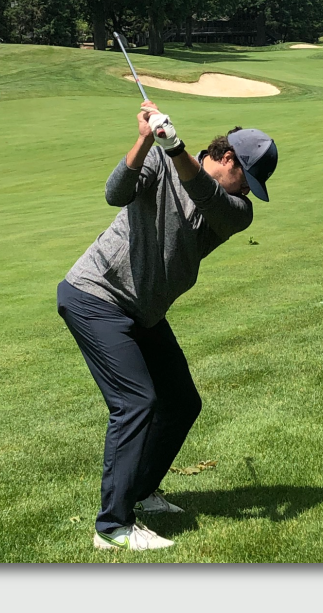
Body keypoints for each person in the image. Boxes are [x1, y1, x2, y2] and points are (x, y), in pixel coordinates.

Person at [56, 100, 278, 552]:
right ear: (230, 159)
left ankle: (141, 492)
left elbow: (206, 196)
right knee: (137, 401)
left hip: (144, 311)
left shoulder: (236, 210)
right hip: (96, 296)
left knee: (181, 402)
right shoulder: (158, 160)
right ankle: (113, 527)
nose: (249, 192)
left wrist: (176, 147)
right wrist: (145, 140)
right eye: (248, 180)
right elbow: (115, 193)